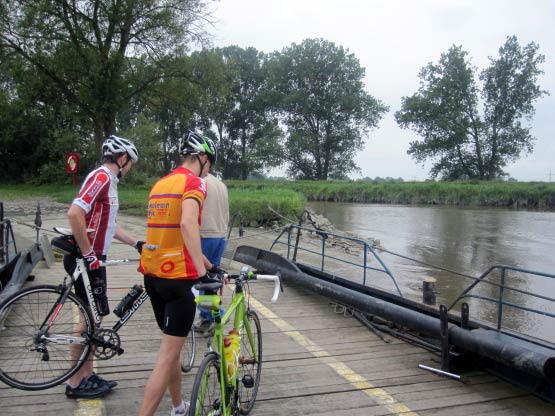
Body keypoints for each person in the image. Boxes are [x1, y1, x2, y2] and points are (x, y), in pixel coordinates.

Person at [138, 130, 217, 416]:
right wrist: (200, 272)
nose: (209, 170)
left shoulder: (161, 184)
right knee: (165, 358)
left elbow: (174, 233)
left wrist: (206, 262)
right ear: (203, 158)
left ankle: (178, 406)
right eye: (210, 163)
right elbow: (187, 225)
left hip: (153, 277)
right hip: (178, 282)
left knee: (171, 350)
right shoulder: (194, 183)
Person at [64, 135, 145, 399]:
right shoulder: (101, 177)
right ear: (122, 159)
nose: (130, 167)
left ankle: (87, 374)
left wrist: (136, 244)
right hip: (86, 257)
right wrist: (88, 254)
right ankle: (75, 382)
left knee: (93, 318)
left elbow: (109, 226)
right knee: (87, 320)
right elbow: (74, 213)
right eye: (130, 162)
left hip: (95, 257)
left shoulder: (108, 182)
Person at [196, 172, 229, 333]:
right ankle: (207, 316)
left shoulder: (197, 182)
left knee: (198, 279)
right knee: (210, 282)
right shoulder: (220, 184)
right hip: (220, 236)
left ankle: (216, 314)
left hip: (203, 235)